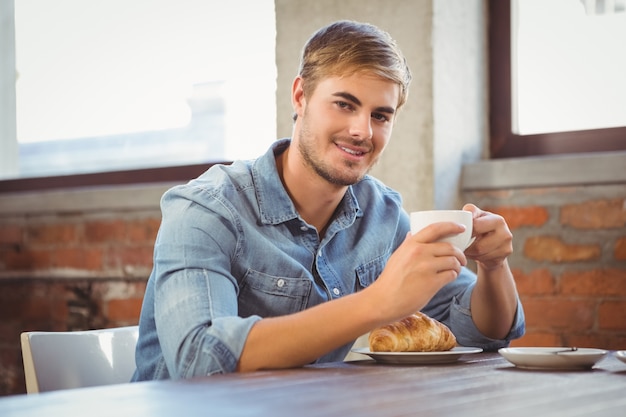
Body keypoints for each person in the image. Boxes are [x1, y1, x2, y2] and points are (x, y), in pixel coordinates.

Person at [131, 20, 525, 381]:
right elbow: (200, 358)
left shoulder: (382, 216)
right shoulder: (206, 210)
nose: (362, 131)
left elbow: (479, 332)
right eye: (345, 104)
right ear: (301, 96)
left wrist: (493, 266)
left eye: (380, 116)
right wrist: (377, 302)